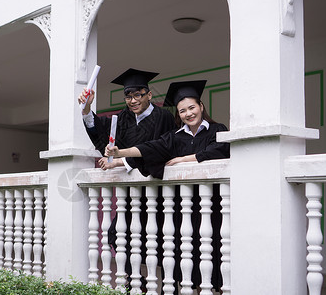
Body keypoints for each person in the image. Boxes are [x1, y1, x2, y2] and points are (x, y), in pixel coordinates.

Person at [105, 80, 230, 293]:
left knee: (210, 253)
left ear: (201, 106)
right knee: (184, 257)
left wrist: (184, 159)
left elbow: (219, 150)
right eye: (182, 111)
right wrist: (120, 153)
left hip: (211, 207)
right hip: (183, 208)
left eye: (191, 108)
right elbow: (151, 148)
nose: (188, 114)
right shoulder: (175, 136)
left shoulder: (218, 130)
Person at [78, 68, 177, 291]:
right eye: (128, 96)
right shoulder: (122, 118)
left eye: (137, 95)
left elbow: (161, 149)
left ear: (149, 95)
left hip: (158, 191)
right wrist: (86, 106)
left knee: (160, 241)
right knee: (116, 235)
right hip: (133, 195)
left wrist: (119, 159)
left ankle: (163, 285)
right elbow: (99, 130)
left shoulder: (163, 117)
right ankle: (138, 279)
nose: (132, 101)